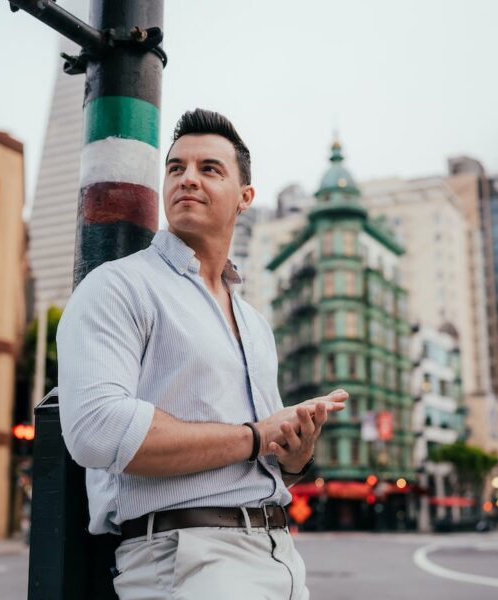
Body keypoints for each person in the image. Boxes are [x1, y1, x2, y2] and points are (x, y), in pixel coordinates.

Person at [57, 108, 349, 599]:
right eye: (176, 168)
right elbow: (96, 431)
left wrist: (295, 455)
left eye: (209, 169)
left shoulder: (255, 323)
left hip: (279, 554)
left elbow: (261, 456)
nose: (187, 179)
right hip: (188, 559)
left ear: (245, 198)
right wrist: (257, 436)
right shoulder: (119, 286)